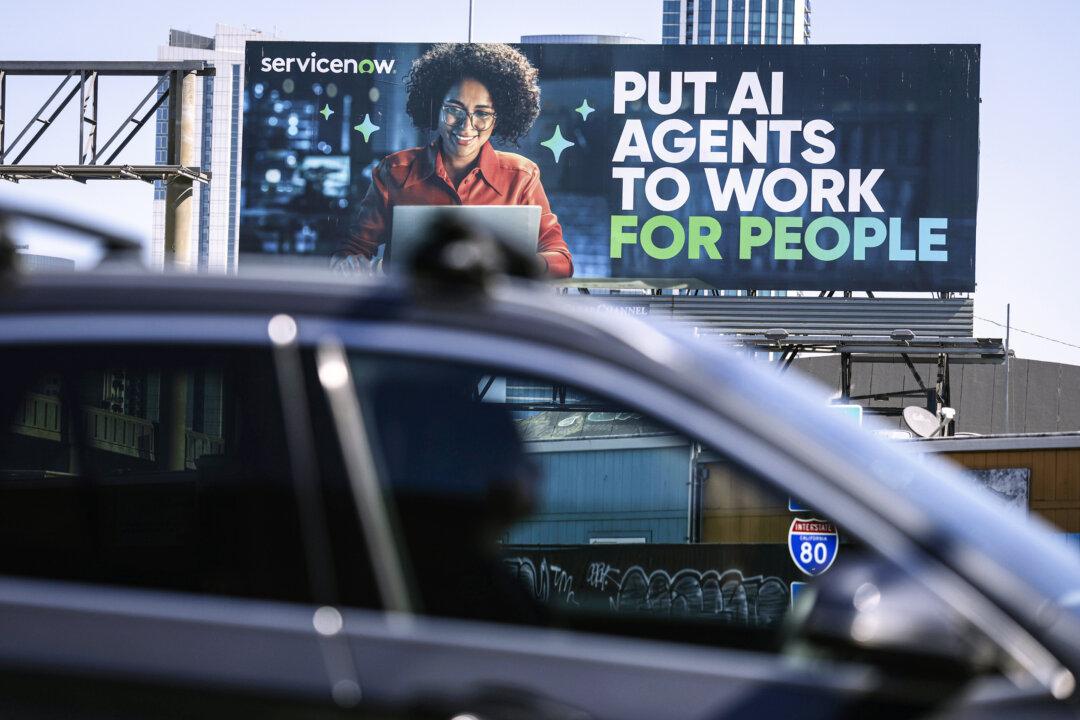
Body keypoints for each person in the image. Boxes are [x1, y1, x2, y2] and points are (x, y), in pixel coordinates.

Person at [333, 43, 573, 278]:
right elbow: (353, 252)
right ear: (435, 107)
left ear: (498, 118)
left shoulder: (521, 176)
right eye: (454, 109)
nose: (466, 126)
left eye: (482, 113)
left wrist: (514, 263)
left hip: (490, 314)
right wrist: (354, 265)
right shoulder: (394, 171)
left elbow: (562, 260)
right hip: (413, 312)